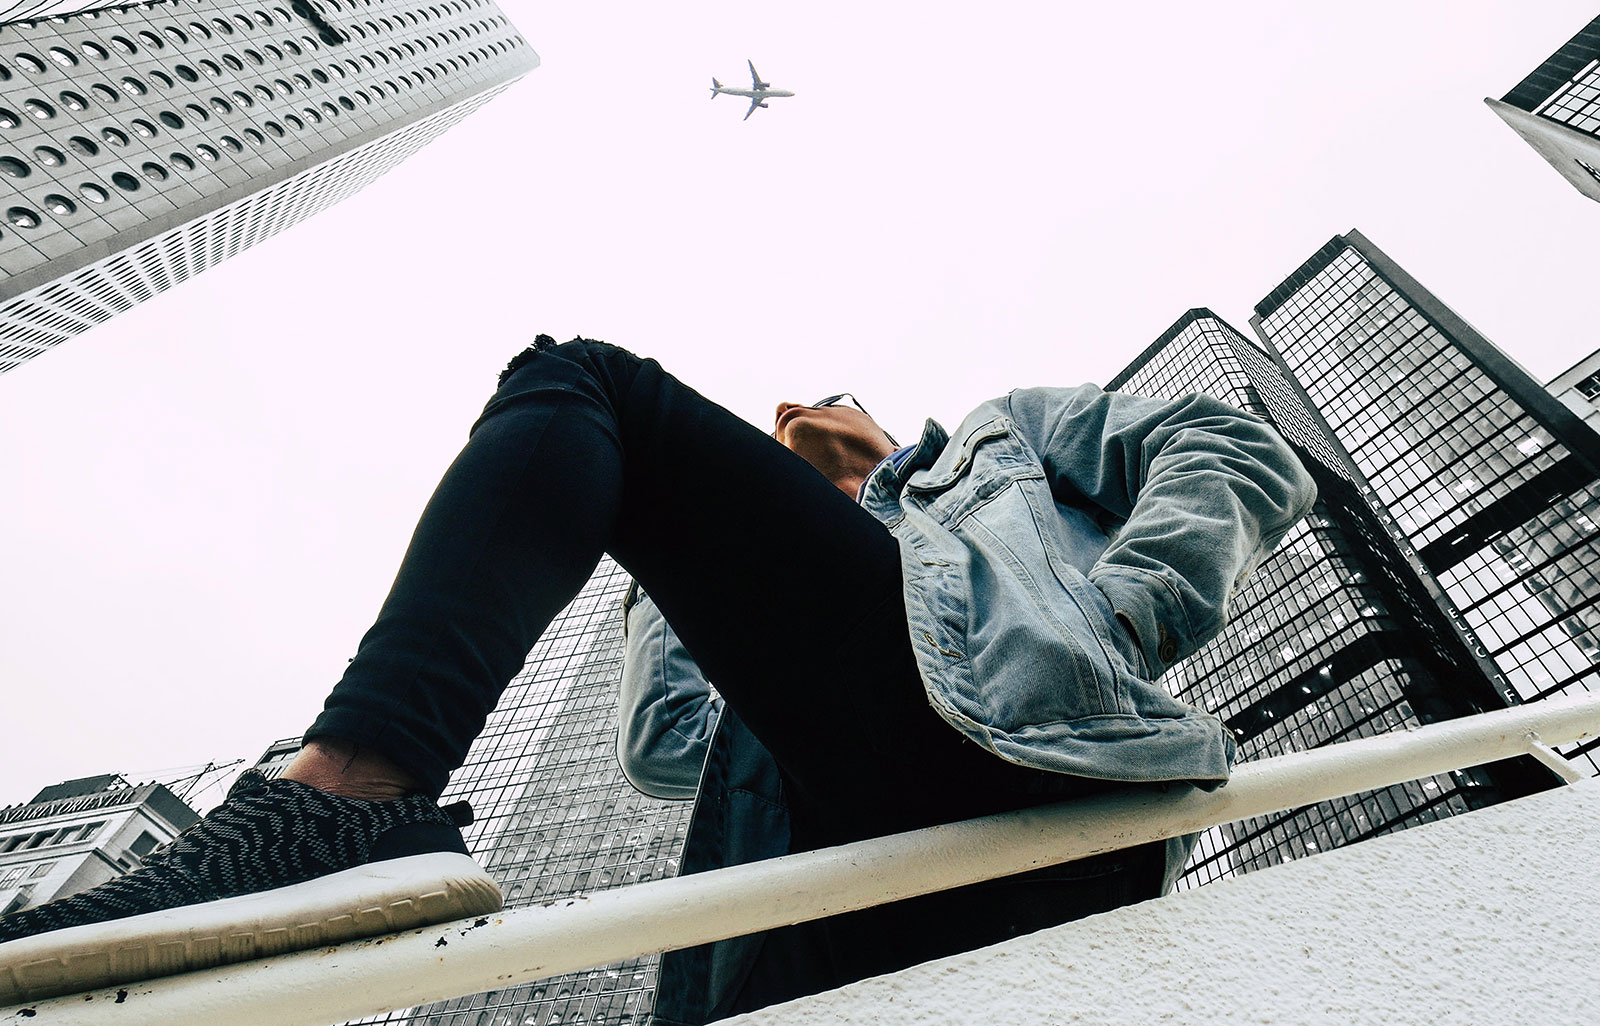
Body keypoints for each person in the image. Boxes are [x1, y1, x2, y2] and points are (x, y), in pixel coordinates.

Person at [0, 335, 1317, 1011]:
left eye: (824, 401)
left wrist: (1120, 616)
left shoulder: (998, 442)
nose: (790, 419)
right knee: (611, 447)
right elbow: (662, 750)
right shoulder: (794, 633)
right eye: (773, 431)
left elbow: (1238, 449)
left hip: (1026, 756)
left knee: (589, 388)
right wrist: (679, 573)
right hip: (813, 903)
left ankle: (337, 809)